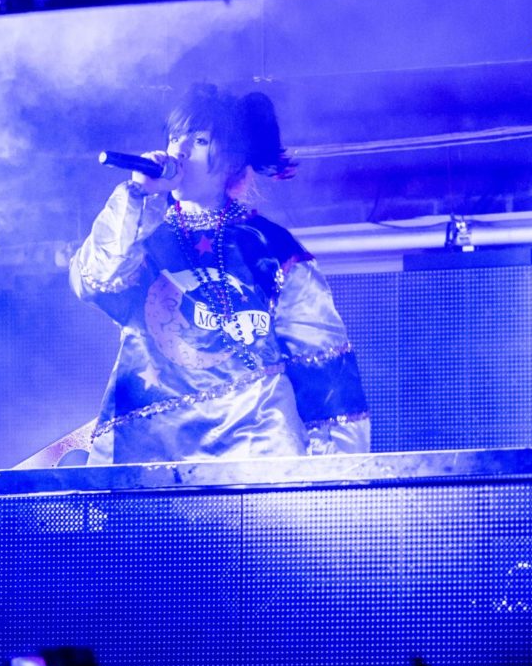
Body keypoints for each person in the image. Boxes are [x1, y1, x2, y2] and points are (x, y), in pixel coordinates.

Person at [70, 82, 370, 465]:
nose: (178, 150)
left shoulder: (270, 247)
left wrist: (334, 473)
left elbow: (321, 361)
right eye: (175, 137)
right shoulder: (141, 236)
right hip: (153, 451)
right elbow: (93, 279)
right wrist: (136, 195)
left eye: (198, 141)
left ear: (231, 159)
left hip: (255, 448)